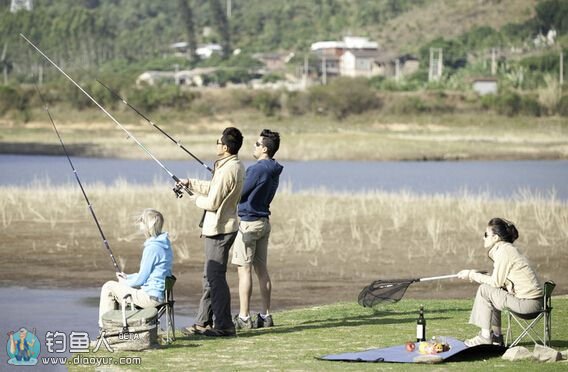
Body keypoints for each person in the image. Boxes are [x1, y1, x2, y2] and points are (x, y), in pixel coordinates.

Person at [179, 127, 245, 337]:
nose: (216, 145)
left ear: (225, 147)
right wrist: (191, 183)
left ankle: (225, 325)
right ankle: (202, 322)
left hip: (219, 229)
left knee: (215, 278)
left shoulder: (228, 169)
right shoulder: (231, 166)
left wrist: (192, 198)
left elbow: (213, 202)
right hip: (221, 226)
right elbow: (215, 188)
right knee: (210, 277)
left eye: (218, 142)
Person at [457, 217, 543, 347]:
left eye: (486, 235)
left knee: (484, 290)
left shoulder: (504, 251)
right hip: (533, 303)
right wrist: (476, 274)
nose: (483, 238)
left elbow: (495, 282)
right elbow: (500, 281)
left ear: (496, 238)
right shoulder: (506, 249)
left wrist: (471, 275)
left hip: (528, 305)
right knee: (492, 291)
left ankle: (485, 337)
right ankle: (496, 338)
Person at [232, 129, 283, 330]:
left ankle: (244, 317)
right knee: (262, 270)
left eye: (256, 144)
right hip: (263, 222)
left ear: (264, 148)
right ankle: (265, 315)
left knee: (244, 270)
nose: (253, 146)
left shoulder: (257, 169)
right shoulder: (274, 168)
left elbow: (240, 193)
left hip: (249, 224)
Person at [98, 209, 173, 328]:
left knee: (108, 287)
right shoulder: (164, 244)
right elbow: (148, 274)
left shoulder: (152, 248)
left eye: (141, 222)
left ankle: (105, 329)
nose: (139, 225)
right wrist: (128, 277)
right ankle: (114, 328)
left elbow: (141, 280)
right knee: (115, 287)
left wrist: (124, 282)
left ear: (147, 225)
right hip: (160, 295)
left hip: (150, 298)